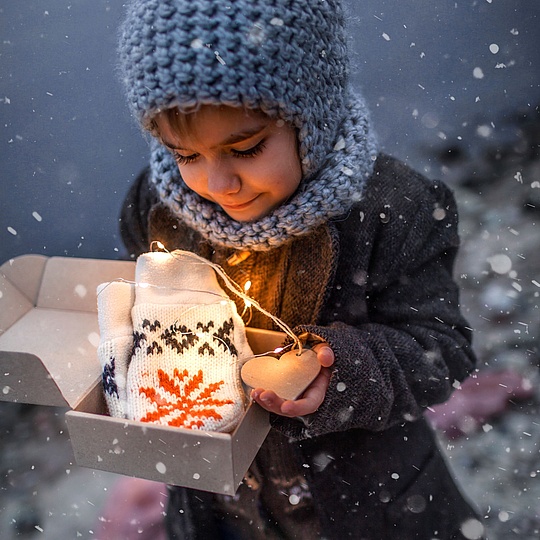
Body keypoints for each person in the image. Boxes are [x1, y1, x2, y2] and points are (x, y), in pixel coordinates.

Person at [117, 0, 485, 538]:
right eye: (184, 155)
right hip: (221, 508)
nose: (217, 184)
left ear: (309, 115)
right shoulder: (158, 208)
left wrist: (343, 374)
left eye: (246, 148)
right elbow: (133, 309)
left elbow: (441, 349)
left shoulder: (391, 209)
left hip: (373, 505)